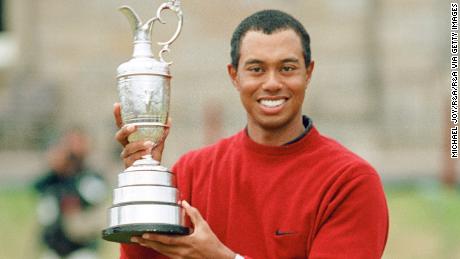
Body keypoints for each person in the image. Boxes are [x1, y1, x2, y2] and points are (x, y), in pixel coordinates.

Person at [113, 9, 389, 259]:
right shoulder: (191, 172)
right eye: (256, 69)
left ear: (309, 73)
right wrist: (141, 186)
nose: (272, 83)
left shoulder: (350, 182)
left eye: (287, 68)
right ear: (235, 76)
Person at [34, 128, 108, 259]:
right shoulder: (54, 178)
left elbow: (93, 199)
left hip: (82, 247)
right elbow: (38, 188)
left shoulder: (90, 176)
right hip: (54, 246)